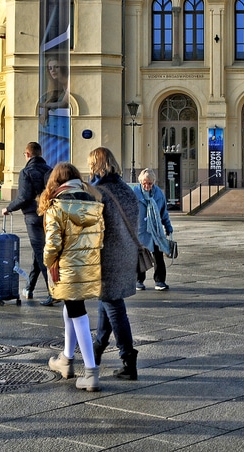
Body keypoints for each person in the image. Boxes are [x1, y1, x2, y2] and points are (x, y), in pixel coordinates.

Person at [39, 162, 105, 391]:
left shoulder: (58, 205)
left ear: (56, 181)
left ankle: (91, 372)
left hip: (66, 267)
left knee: (78, 313)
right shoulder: (93, 202)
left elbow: (52, 244)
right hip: (89, 266)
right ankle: (66, 360)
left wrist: (47, 262)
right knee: (72, 308)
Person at [88, 147, 141, 381]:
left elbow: (93, 227)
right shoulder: (127, 190)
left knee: (114, 305)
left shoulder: (99, 192)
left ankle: (128, 359)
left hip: (108, 255)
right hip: (126, 253)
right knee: (107, 300)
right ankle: (96, 350)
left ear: (96, 165)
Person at [3, 141, 54, 305]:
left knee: (41, 253)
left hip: (32, 217)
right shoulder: (50, 170)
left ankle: (53, 292)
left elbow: (24, 197)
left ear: (27, 155)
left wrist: (9, 208)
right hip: (48, 215)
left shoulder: (26, 172)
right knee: (38, 252)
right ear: (40, 153)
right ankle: (29, 288)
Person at [134, 168, 174, 292]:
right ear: (141, 182)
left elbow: (163, 213)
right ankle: (139, 280)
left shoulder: (158, 194)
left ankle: (160, 280)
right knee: (139, 256)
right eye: (144, 183)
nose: (147, 186)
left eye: (150, 183)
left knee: (158, 255)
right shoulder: (134, 192)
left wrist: (168, 227)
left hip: (155, 230)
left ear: (154, 182)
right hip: (140, 229)